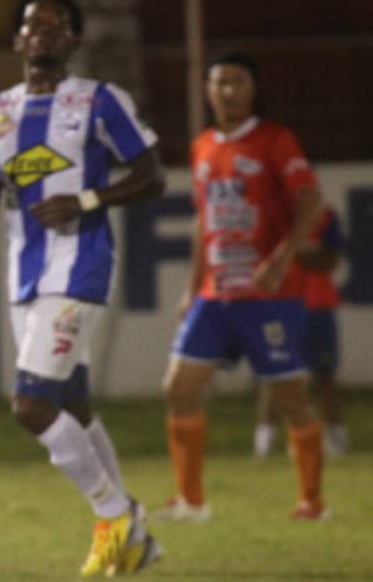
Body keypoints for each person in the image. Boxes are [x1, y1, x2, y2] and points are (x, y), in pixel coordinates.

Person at [0, 0, 165, 577]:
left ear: (72, 40)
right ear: (17, 40)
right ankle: (136, 537)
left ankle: (116, 513)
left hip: (81, 267)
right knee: (72, 402)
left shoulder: (99, 101)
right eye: (32, 24)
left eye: (55, 25)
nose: (42, 32)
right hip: (26, 275)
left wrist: (90, 197)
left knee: (29, 405)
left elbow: (152, 176)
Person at [158, 50, 327, 522]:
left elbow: (311, 201)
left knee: (291, 397)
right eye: (219, 83)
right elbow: (202, 222)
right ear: (208, 91)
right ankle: (192, 501)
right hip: (215, 294)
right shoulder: (203, 146)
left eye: (236, 82)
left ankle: (312, 501)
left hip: (268, 295)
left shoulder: (276, 140)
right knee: (178, 388)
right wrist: (192, 288)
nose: (227, 91)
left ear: (252, 89)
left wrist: (280, 257)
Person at [253, 205, 348, 459]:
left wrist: (289, 252)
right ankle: (263, 446)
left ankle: (338, 443)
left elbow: (330, 260)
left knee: (324, 376)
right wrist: (299, 253)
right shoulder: (269, 214)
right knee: (276, 377)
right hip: (279, 305)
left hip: (317, 305)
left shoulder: (324, 216)